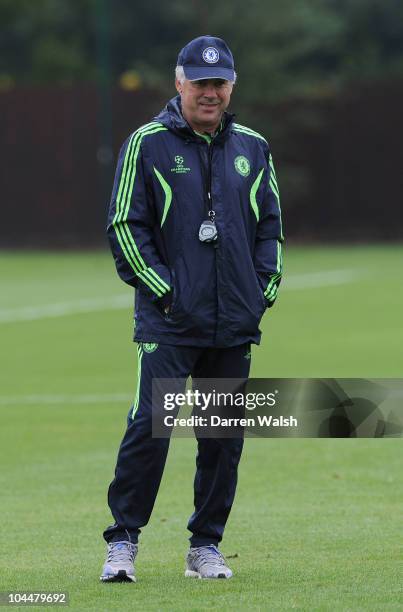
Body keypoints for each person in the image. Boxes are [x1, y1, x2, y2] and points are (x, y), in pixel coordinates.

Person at [101, 35, 283, 582]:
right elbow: (124, 226)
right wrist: (167, 292)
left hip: (234, 323)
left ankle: (205, 546)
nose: (210, 93)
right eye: (200, 82)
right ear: (179, 82)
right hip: (170, 320)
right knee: (150, 427)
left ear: (231, 86)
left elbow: (270, 227)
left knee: (223, 438)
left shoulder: (253, 146)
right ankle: (123, 541)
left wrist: (261, 291)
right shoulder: (147, 143)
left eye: (219, 83)